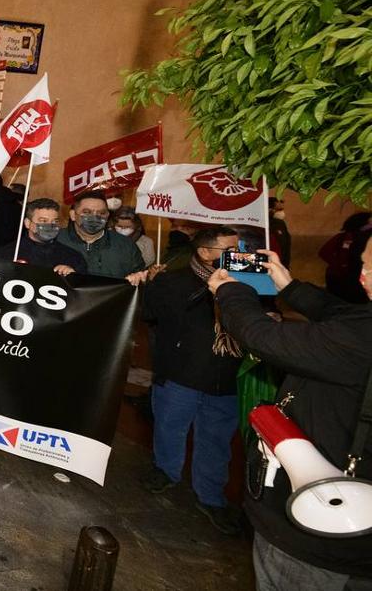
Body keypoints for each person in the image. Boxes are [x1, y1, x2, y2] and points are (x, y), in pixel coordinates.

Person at [208, 246, 372, 589]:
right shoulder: (360, 326)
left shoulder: (358, 340)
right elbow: (347, 314)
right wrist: (290, 286)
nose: (362, 276)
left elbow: (264, 337)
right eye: (363, 264)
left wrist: (230, 291)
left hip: (323, 531)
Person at [140, 226, 244, 536]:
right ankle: (165, 470)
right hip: (180, 373)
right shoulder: (174, 281)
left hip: (225, 378)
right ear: (204, 252)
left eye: (238, 248)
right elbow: (150, 314)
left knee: (216, 440)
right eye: (229, 249)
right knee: (170, 426)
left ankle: (211, 496)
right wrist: (151, 285)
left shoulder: (247, 284)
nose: (238, 254)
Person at [57, 191, 148, 279]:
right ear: (73, 215)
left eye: (101, 213)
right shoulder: (56, 240)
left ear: (107, 216)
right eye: (87, 212)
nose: (94, 217)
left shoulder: (126, 245)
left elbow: (141, 276)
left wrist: (139, 278)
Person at [0, 197, 87, 276]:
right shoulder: (8, 253)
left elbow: (84, 287)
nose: (50, 225)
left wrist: (73, 277)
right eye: (43, 221)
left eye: (55, 221)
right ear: (28, 223)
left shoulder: (73, 257)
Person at [319, 212, 372, 304]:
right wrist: (340, 266)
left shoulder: (362, 238)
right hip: (341, 278)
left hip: (349, 277)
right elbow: (324, 252)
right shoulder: (345, 237)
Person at [267, 197, 292, 268]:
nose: (282, 212)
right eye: (279, 210)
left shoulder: (281, 224)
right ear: (269, 210)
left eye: (282, 209)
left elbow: (286, 245)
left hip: (282, 265)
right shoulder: (265, 225)